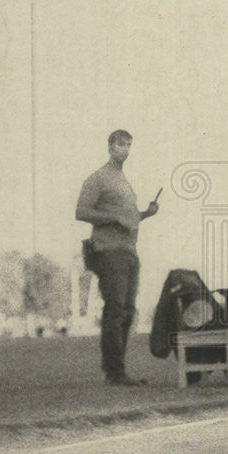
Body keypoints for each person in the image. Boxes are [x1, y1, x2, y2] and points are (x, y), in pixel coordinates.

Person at [76, 130, 160, 384]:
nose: (125, 149)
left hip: (128, 252)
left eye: (129, 145)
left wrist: (145, 214)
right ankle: (114, 372)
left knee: (128, 310)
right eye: (121, 144)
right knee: (116, 309)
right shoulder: (99, 177)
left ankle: (118, 370)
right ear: (110, 146)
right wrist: (114, 218)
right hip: (109, 252)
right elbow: (81, 211)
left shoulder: (123, 180)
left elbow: (128, 219)